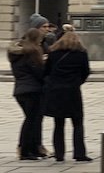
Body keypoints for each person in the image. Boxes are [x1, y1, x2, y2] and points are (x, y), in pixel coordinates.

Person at [43, 31, 91, 162]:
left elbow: (46, 71)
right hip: (73, 91)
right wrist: (77, 82)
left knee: (58, 124)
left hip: (56, 91)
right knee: (78, 123)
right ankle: (79, 153)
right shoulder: (81, 54)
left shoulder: (53, 53)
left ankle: (59, 154)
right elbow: (86, 72)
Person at [8, 28, 45, 160]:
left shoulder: (16, 54)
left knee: (32, 119)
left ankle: (33, 149)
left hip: (20, 90)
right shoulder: (32, 52)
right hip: (33, 90)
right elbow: (38, 72)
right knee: (31, 120)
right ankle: (25, 150)